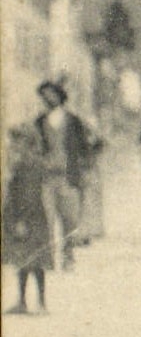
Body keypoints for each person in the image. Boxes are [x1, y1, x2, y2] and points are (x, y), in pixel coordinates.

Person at [34, 78, 92, 269]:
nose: (47, 98)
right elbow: (34, 147)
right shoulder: (39, 122)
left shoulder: (73, 121)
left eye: (51, 94)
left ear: (60, 96)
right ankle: (47, 260)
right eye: (44, 95)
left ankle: (68, 256)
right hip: (46, 177)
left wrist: (83, 171)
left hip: (68, 176)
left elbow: (84, 148)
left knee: (69, 219)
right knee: (46, 218)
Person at [3, 126, 53, 313]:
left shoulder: (28, 165)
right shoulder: (25, 163)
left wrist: (21, 220)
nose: (14, 145)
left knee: (34, 261)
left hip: (29, 218)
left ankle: (39, 303)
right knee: (24, 262)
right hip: (29, 218)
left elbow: (29, 195)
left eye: (17, 142)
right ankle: (24, 302)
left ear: (27, 144)